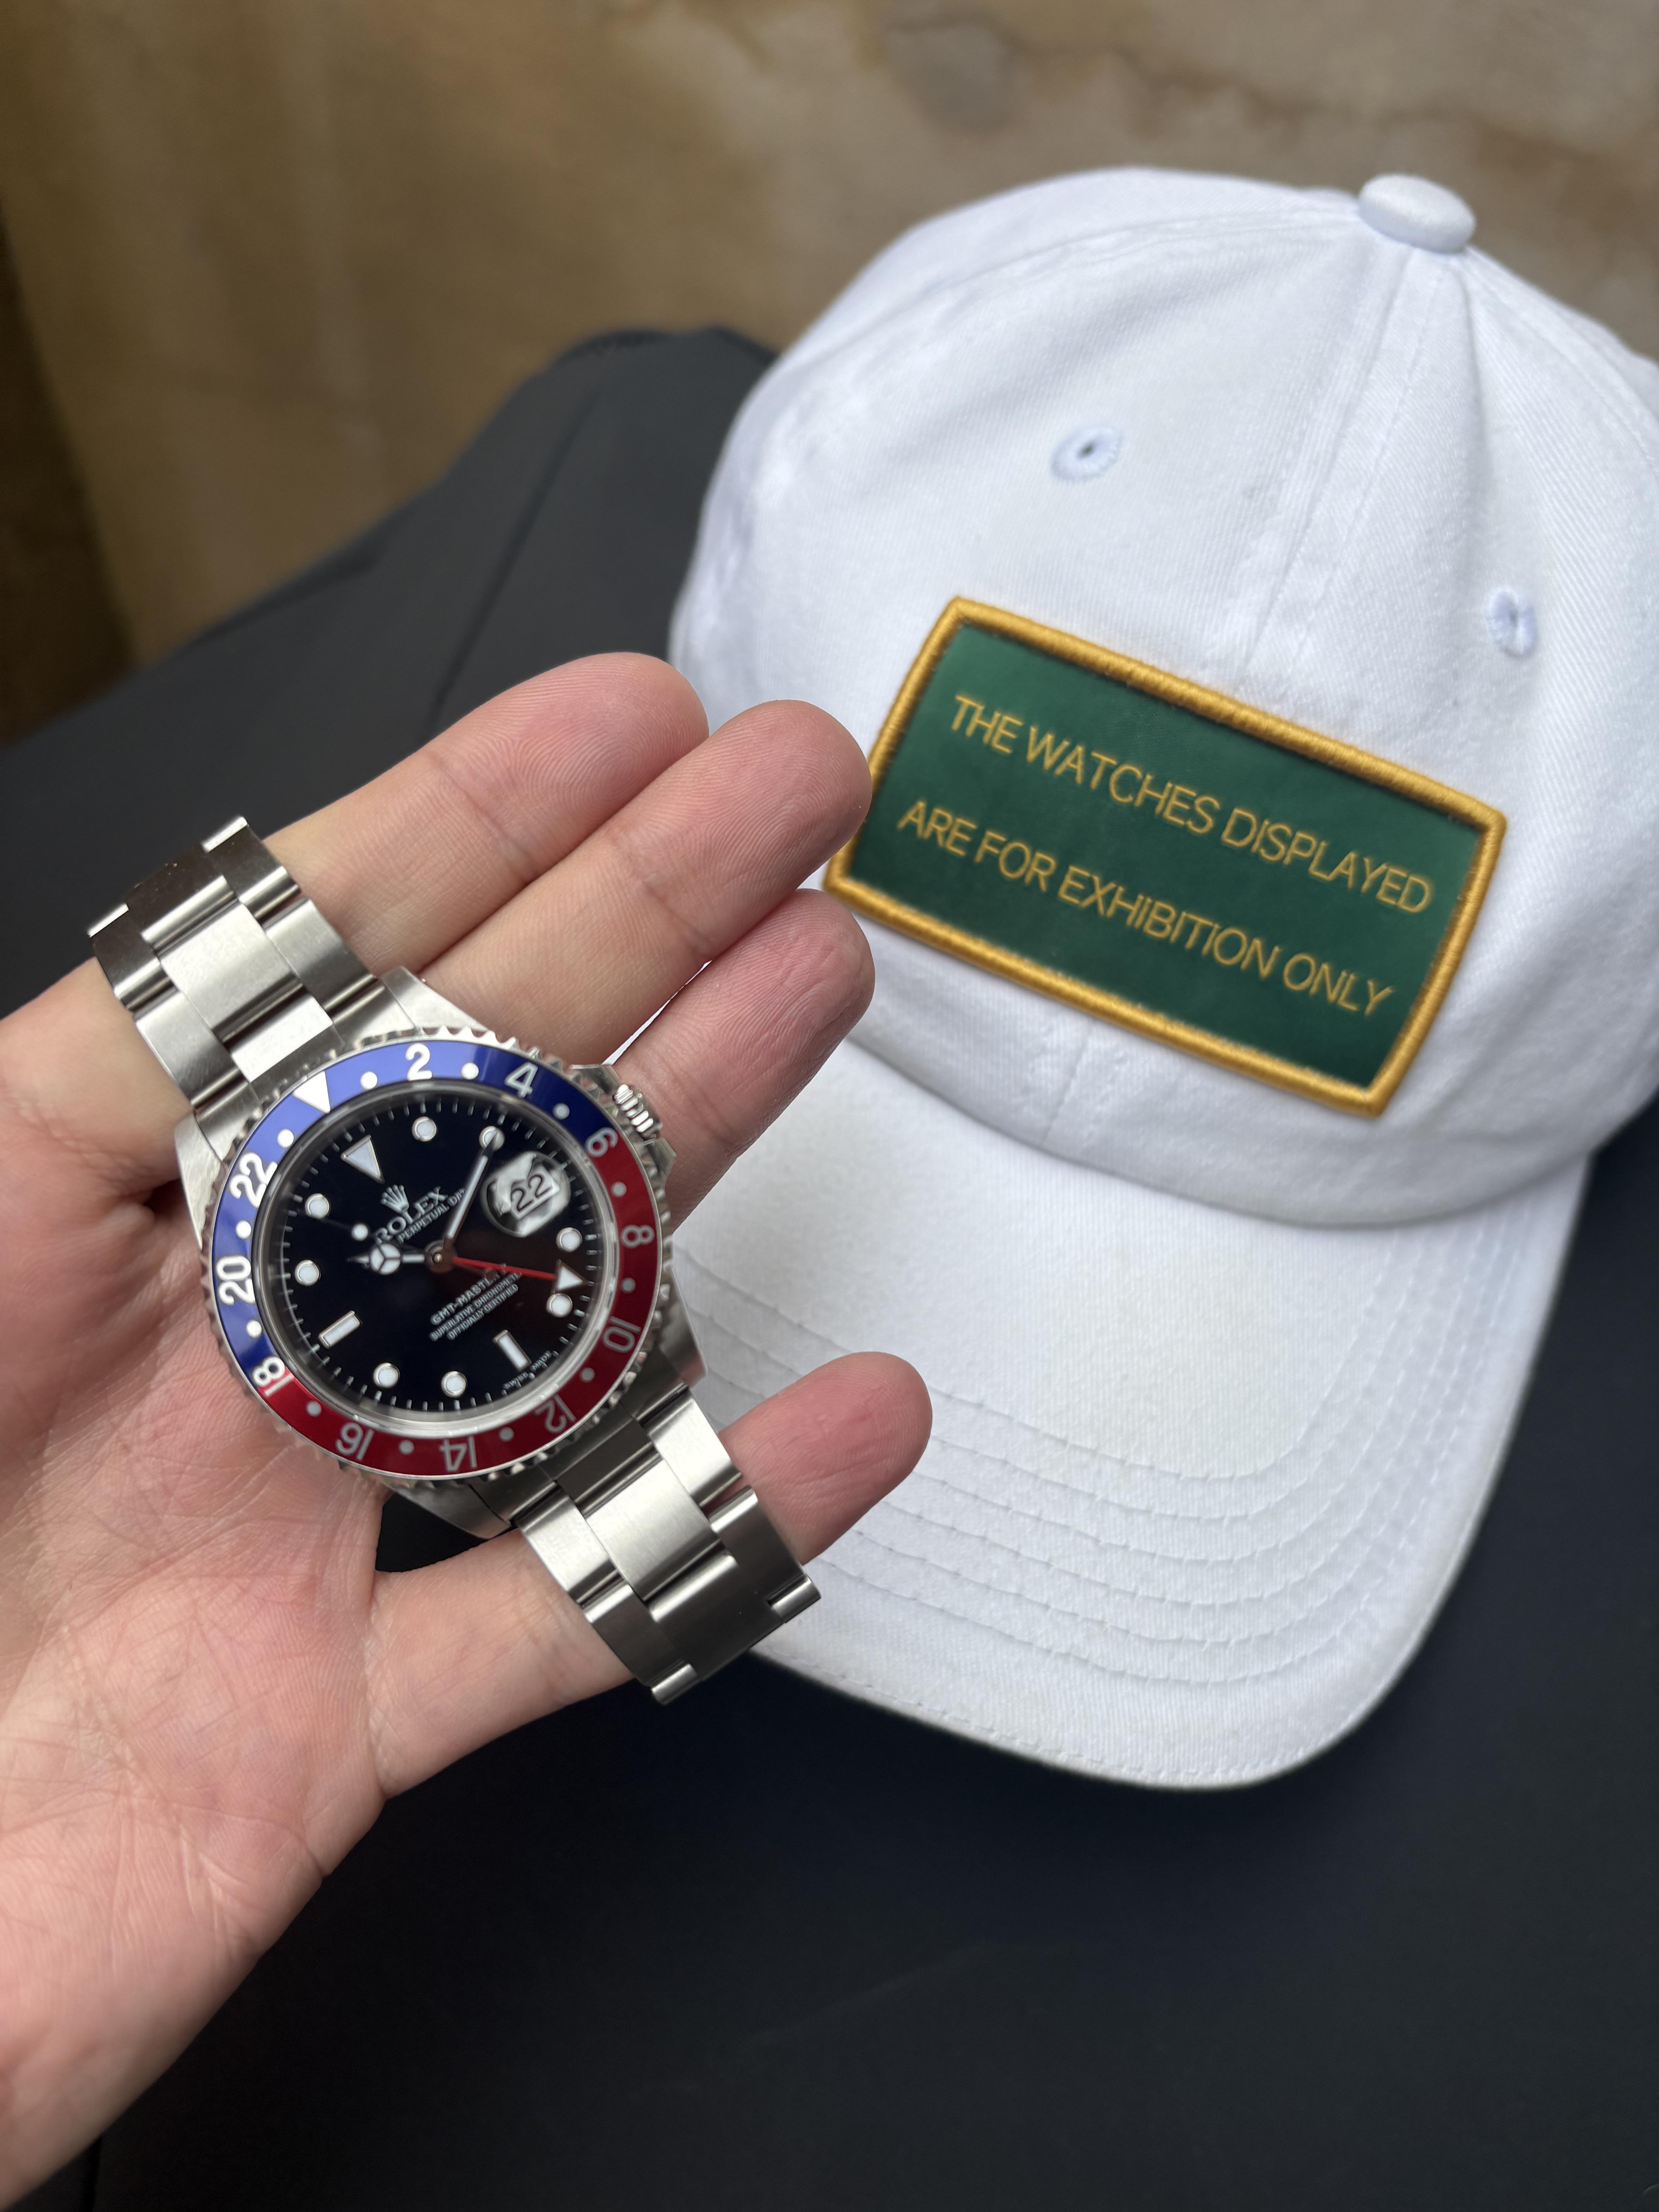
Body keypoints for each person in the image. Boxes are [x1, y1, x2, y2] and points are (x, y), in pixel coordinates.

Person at [0, 653, 931, 2208]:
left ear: (618, 1142)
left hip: (537, 1308)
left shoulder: (559, 1187)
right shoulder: (295, 1331)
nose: (436, 1259)